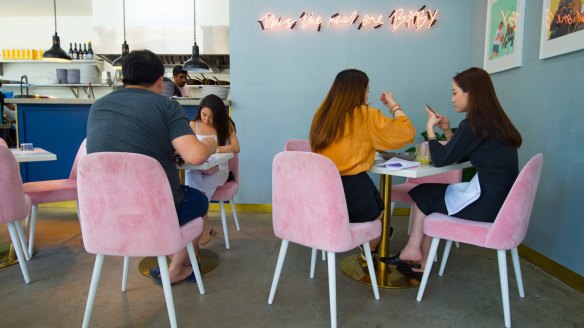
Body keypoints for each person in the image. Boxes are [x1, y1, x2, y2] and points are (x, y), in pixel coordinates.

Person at [86, 49, 217, 284]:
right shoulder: (165, 106)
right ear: (160, 81)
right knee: (198, 200)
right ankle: (179, 266)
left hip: (107, 214)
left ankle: (178, 257)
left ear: (124, 77)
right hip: (156, 213)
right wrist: (209, 146)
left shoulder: (98, 107)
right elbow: (196, 156)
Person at [381, 67, 522, 271]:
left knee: (422, 193)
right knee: (428, 195)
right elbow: (459, 155)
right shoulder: (494, 122)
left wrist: (431, 131)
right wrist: (447, 131)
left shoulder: (474, 123)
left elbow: (441, 160)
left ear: (471, 93)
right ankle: (419, 260)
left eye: (455, 93)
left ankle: (413, 251)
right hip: (499, 203)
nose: (452, 99)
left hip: (484, 204)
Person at [309, 69, 416, 251]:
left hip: (320, 193)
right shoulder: (366, 115)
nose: (367, 95)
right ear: (358, 91)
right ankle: (370, 251)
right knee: (380, 214)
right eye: (367, 90)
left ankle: (369, 243)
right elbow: (406, 132)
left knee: (376, 209)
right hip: (353, 191)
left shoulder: (322, 116)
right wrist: (393, 106)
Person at [185, 94, 240, 244]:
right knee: (191, 173)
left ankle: (197, 230)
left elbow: (236, 147)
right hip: (198, 168)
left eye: (211, 117)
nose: (206, 120)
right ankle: (205, 226)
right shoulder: (193, 124)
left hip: (219, 168)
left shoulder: (226, 125)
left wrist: (214, 149)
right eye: (204, 115)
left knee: (194, 192)